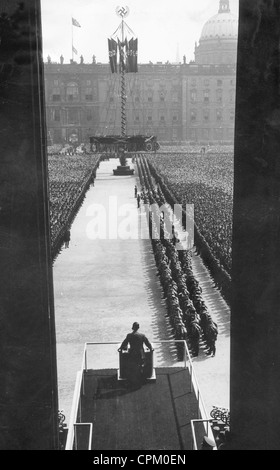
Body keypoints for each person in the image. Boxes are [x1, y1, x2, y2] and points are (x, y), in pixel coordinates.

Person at [118, 322, 153, 387]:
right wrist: (151, 348)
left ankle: (133, 380)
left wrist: (120, 348)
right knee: (140, 366)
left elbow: (124, 343)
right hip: (140, 353)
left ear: (133, 328)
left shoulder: (129, 335)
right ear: (138, 328)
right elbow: (147, 343)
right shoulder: (142, 335)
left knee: (133, 366)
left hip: (132, 353)